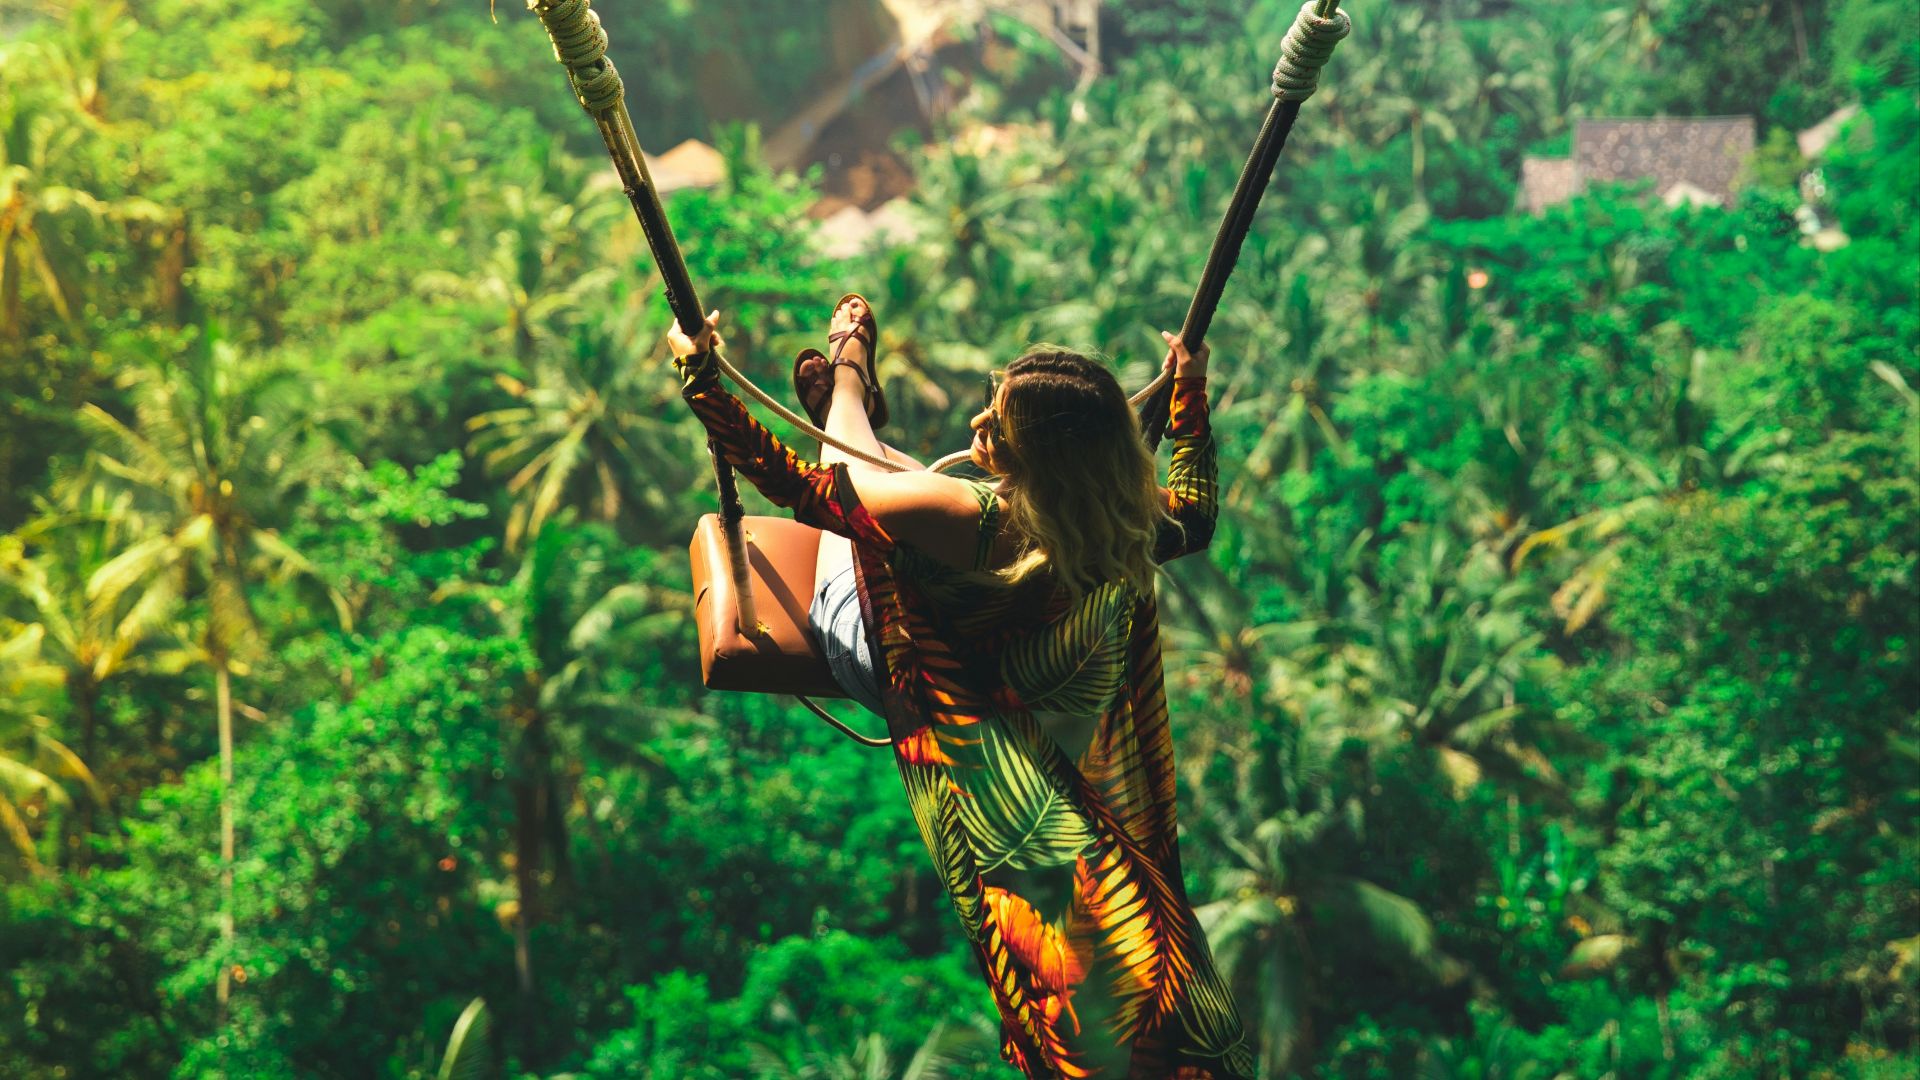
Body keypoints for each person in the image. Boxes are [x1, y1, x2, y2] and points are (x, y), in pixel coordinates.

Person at [668, 295, 1253, 1080]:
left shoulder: (974, 517)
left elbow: (807, 491)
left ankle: (847, 389)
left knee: (871, 488)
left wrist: (702, 377)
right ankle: (856, 414)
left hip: (909, 662)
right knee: (901, 493)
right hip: (1016, 672)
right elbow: (1202, 512)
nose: (977, 427)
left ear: (1038, 462)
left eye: (996, 426)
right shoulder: (1125, 522)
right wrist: (1189, 392)